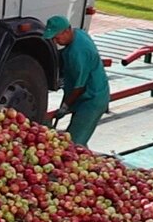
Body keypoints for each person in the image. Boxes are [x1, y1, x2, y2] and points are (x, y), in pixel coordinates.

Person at [47, 13, 112, 149]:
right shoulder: (78, 33)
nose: (55, 41)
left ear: (67, 31)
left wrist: (65, 106)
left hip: (92, 99)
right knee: (77, 137)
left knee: (74, 143)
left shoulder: (78, 53)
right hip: (86, 96)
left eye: (57, 37)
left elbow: (79, 87)